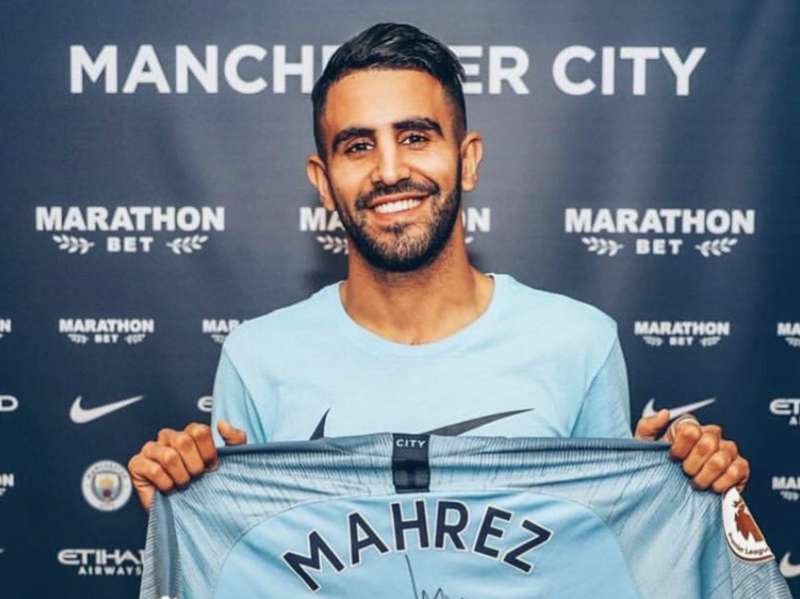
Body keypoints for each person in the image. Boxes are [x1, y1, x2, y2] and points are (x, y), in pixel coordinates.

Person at [128, 23, 748, 512]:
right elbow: (240, 570)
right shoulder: (258, 356)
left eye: (416, 137)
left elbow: (603, 559)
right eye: (358, 146)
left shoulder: (579, 342)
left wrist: (676, 489)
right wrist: (186, 503)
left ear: (467, 159)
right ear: (323, 181)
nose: (389, 170)